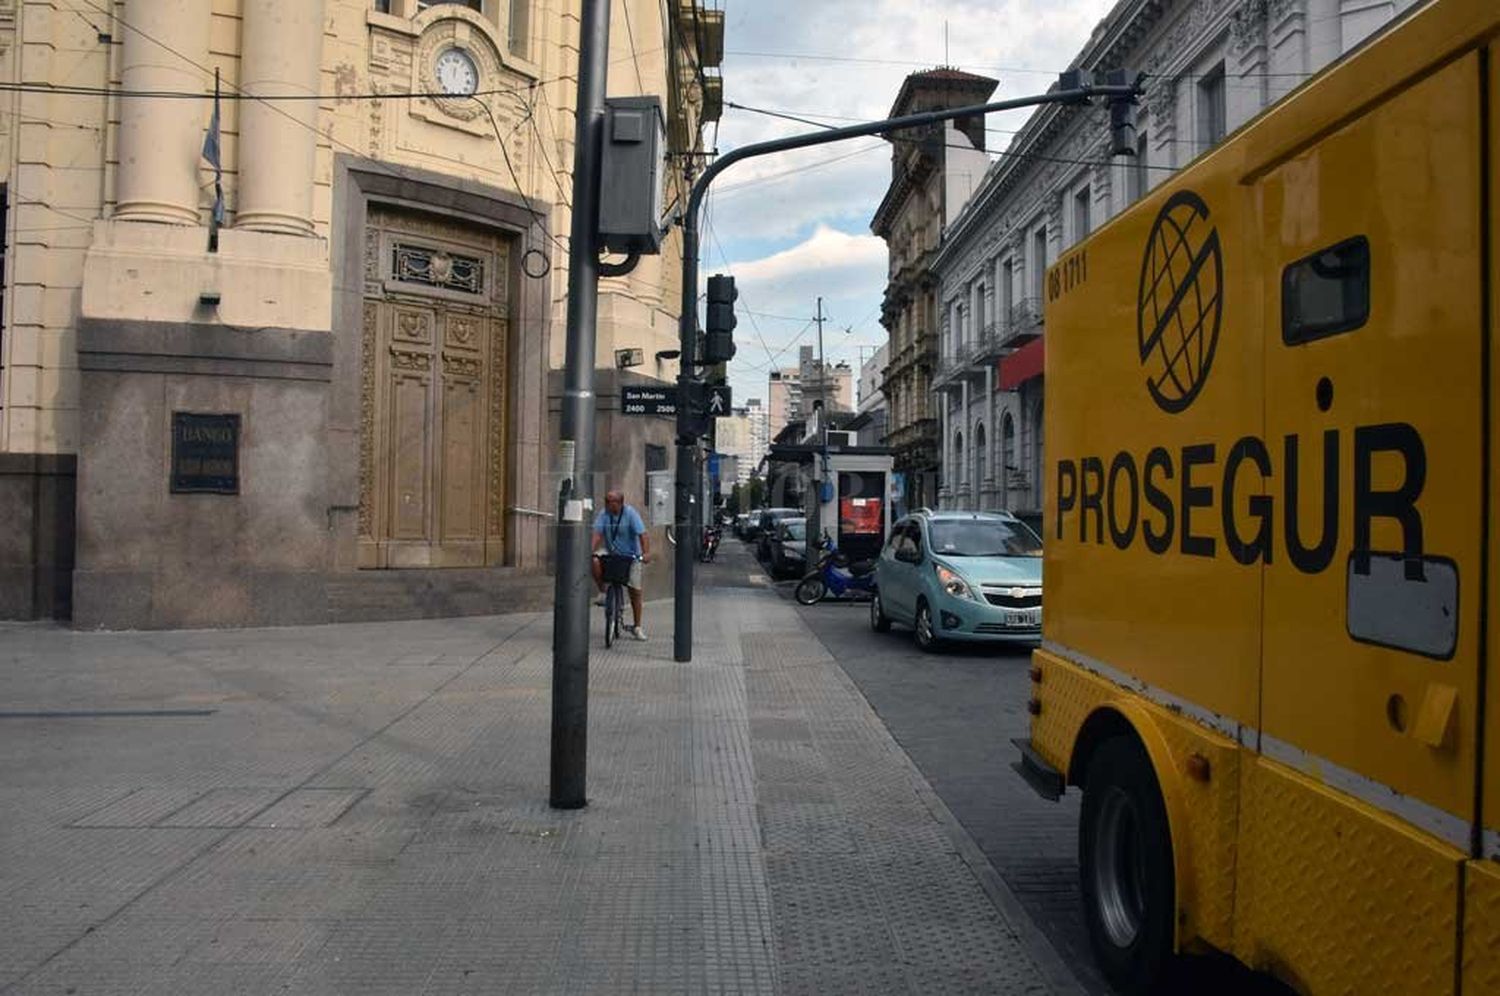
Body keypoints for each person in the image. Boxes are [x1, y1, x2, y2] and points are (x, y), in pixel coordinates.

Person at [591, 488, 651, 641]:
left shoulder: (631, 514)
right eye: (606, 501)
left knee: (634, 590)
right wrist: (589, 550)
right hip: (611, 553)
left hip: (631, 555)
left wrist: (646, 553)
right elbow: (597, 534)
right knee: (595, 560)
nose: (608, 505)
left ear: (620, 503)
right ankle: (603, 592)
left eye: (612, 502)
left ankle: (637, 627)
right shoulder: (604, 514)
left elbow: (643, 535)